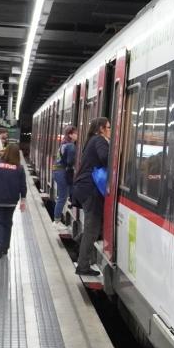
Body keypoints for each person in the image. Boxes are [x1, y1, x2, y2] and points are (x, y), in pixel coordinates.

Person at [70, 117, 110, 276]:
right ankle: (83, 266)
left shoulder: (91, 140)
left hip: (84, 187)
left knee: (94, 226)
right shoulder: (99, 140)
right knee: (92, 229)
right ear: (101, 128)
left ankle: (76, 246)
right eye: (108, 127)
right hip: (90, 188)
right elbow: (105, 158)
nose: (110, 130)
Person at [52, 126, 77, 221]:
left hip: (57, 171)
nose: (77, 135)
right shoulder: (71, 146)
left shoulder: (64, 144)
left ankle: (58, 218)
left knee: (63, 195)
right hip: (62, 172)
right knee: (62, 197)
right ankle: (56, 221)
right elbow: (70, 162)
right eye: (75, 133)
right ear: (70, 135)